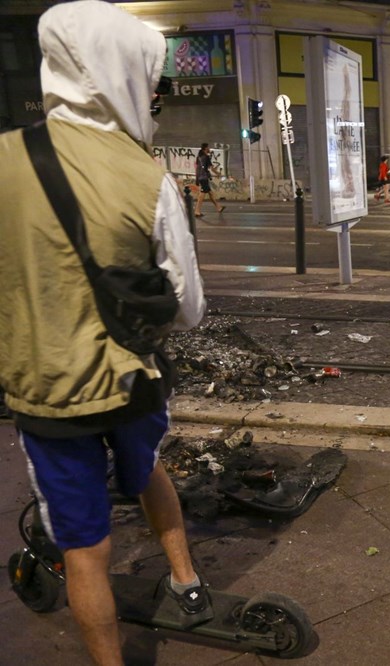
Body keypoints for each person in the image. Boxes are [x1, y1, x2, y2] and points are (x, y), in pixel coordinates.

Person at [0, 2, 209, 664]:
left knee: (86, 550)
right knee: (146, 468)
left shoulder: (3, 159)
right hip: (131, 381)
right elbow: (190, 308)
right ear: (118, 73)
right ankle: (188, 581)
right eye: (148, 76)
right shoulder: (147, 177)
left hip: (46, 394)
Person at [193, 143, 225, 217]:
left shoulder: (199, 157)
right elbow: (211, 168)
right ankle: (197, 211)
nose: (209, 149)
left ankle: (218, 207)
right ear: (205, 148)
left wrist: (197, 178)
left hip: (201, 177)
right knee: (202, 194)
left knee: (210, 193)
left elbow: (197, 168)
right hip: (204, 178)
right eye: (208, 147)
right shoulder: (206, 157)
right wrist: (218, 174)